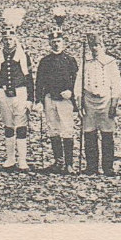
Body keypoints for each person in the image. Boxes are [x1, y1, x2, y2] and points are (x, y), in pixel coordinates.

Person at [75, 32, 121, 176]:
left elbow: (116, 84)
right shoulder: (85, 62)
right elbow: (79, 83)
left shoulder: (110, 62)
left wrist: (114, 103)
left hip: (106, 101)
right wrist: (79, 103)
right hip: (89, 101)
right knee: (89, 133)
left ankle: (108, 167)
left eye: (97, 45)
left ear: (102, 46)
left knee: (107, 134)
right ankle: (92, 166)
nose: (95, 48)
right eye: (92, 46)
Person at [0, 26, 35, 171]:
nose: (8, 42)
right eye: (5, 40)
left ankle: (22, 160)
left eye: (10, 39)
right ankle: (10, 159)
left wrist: (30, 98)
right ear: (2, 41)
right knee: (8, 126)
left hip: (20, 93)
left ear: (15, 39)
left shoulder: (23, 55)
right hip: (3, 94)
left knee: (21, 126)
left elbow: (29, 78)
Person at [34, 29, 79, 174]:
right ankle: (58, 161)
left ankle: (69, 164)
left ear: (63, 42)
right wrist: (39, 100)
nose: (56, 45)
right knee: (53, 129)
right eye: (53, 42)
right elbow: (39, 82)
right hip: (50, 99)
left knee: (67, 129)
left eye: (58, 41)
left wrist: (71, 92)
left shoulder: (70, 60)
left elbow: (77, 81)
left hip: (65, 100)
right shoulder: (45, 61)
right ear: (49, 43)